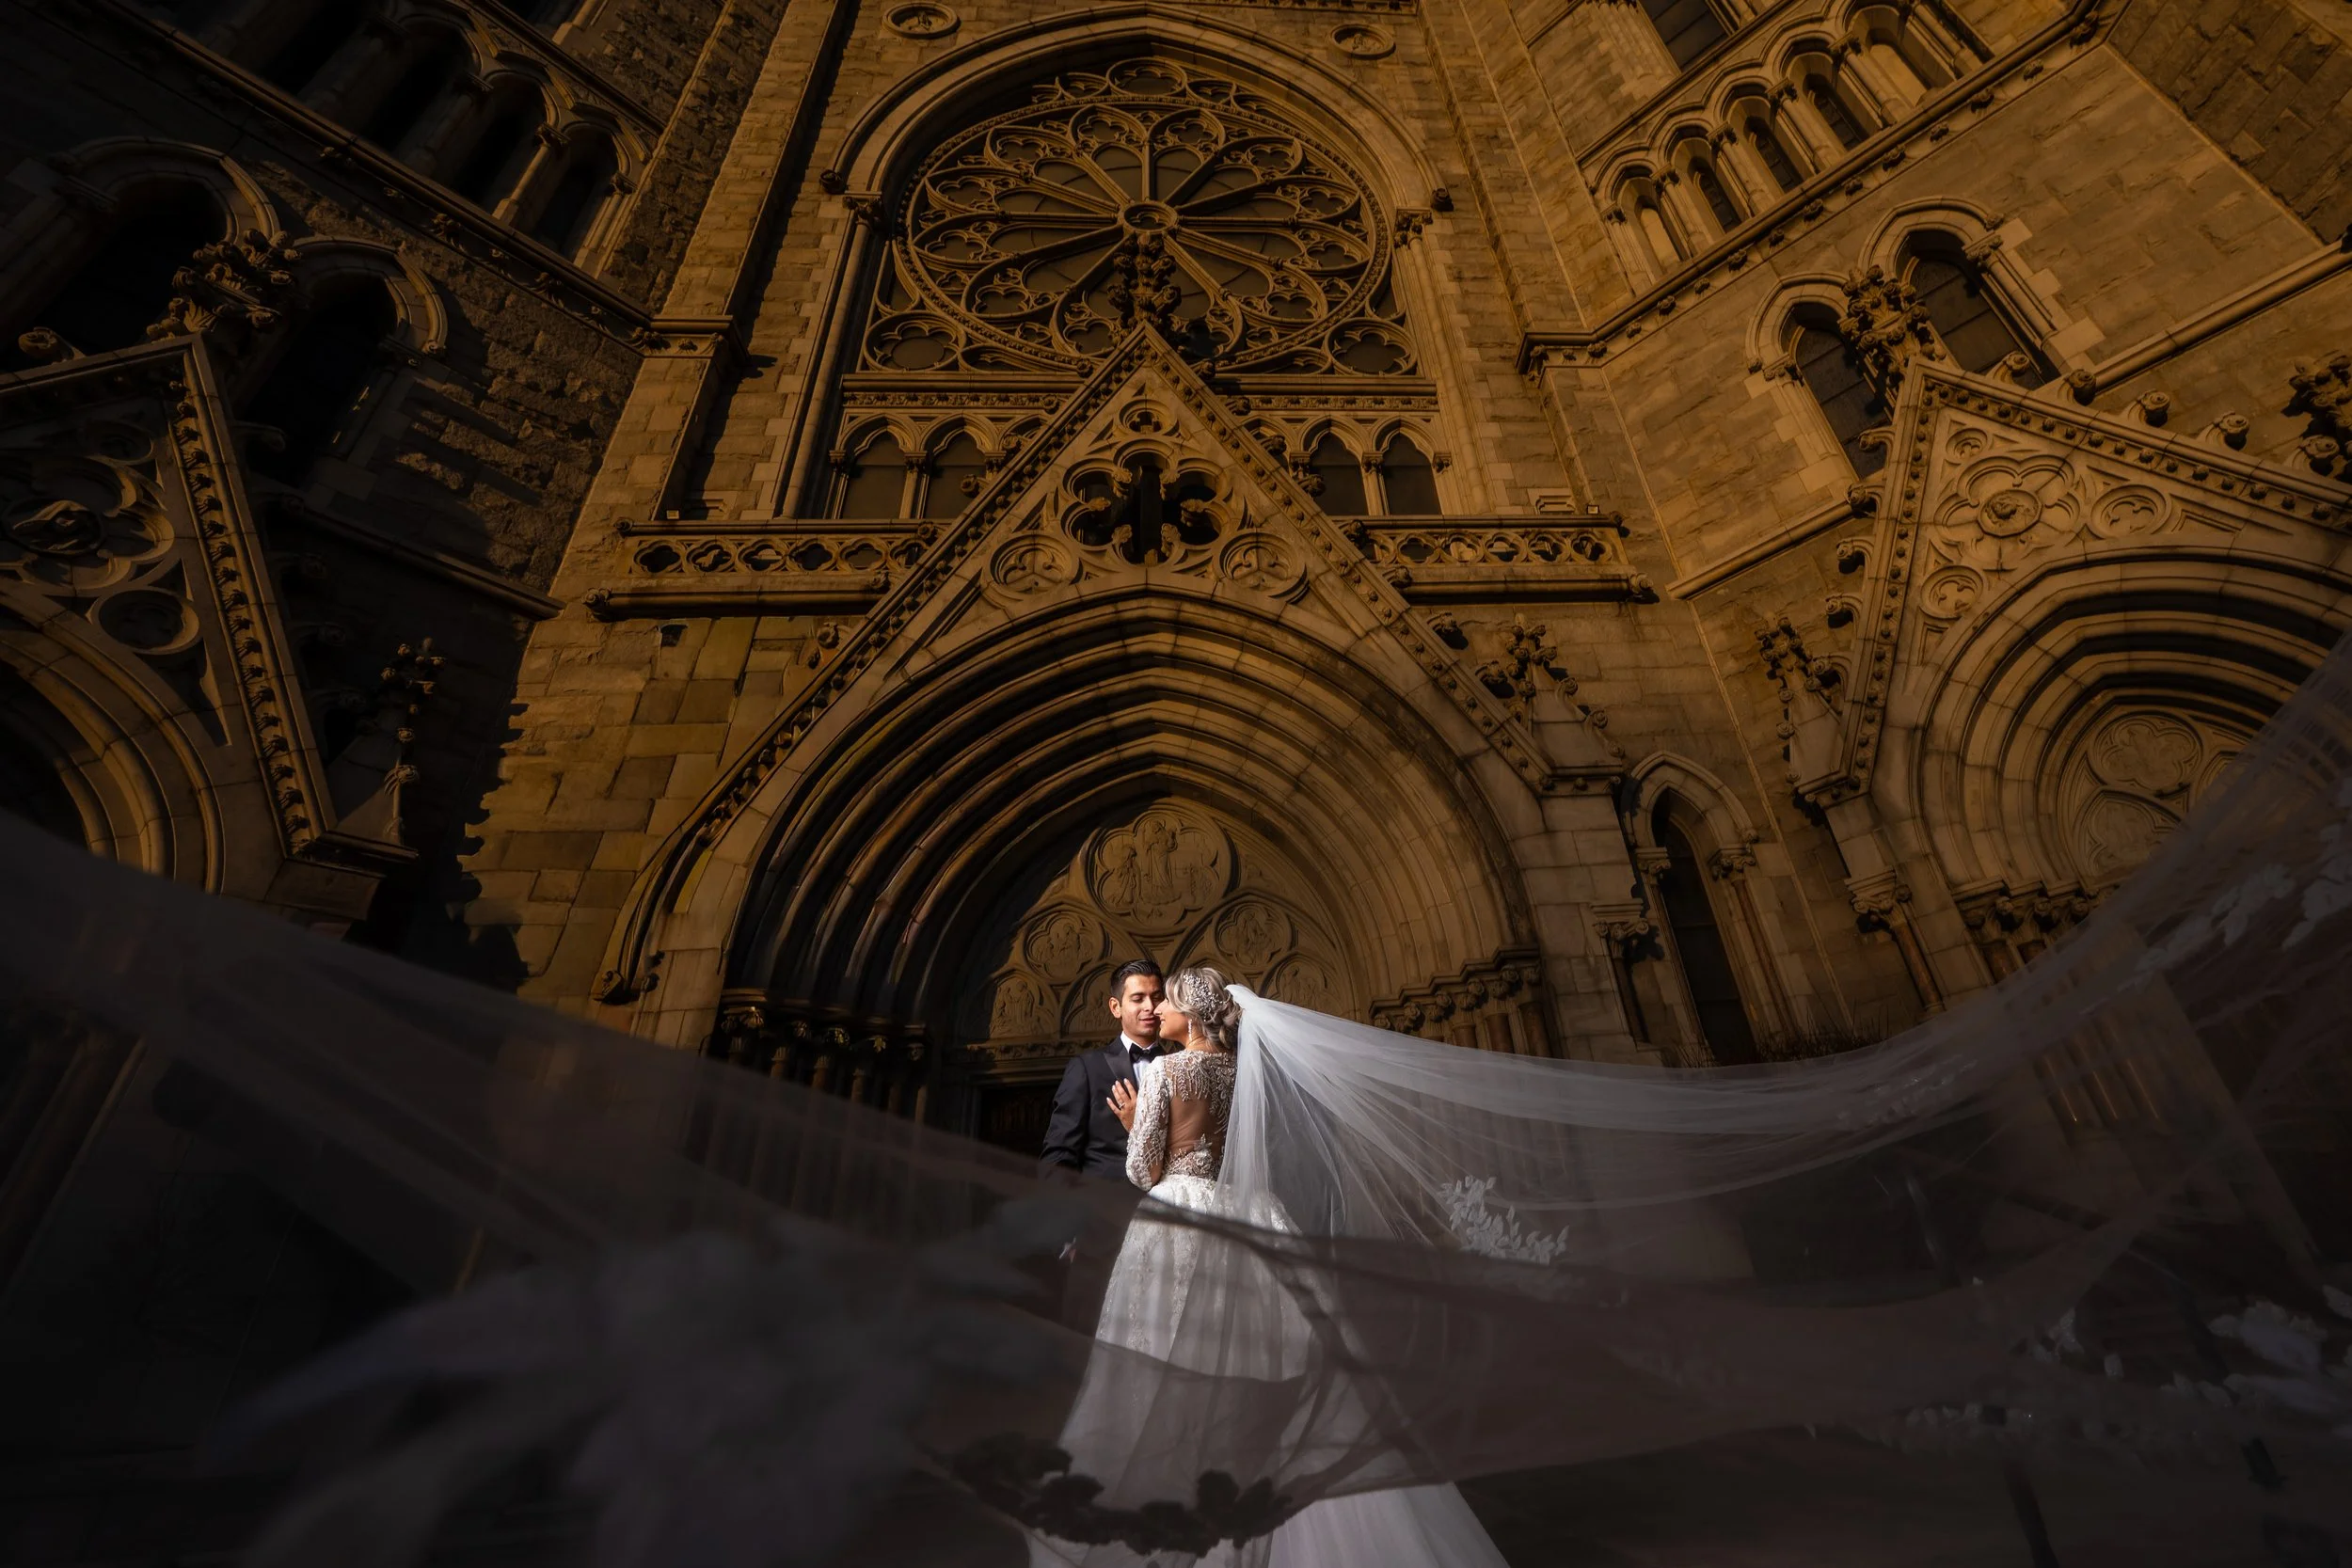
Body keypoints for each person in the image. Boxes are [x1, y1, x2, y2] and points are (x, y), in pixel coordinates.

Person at [1034, 965, 1512, 1568]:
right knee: (1252, 1360)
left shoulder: (1166, 1069)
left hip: (1179, 1216)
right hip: (1244, 1215)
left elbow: (1142, 1170)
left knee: (1168, 1364)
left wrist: (1135, 1127)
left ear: (1190, 1012)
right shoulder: (1241, 1071)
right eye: (1146, 1000)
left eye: (1168, 1001)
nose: (1159, 1011)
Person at [1039, 959, 1170, 1180]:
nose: (1150, 1006)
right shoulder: (1087, 1068)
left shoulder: (1180, 1066)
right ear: (1115, 1007)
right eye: (1138, 998)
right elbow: (1059, 1154)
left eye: (1156, 997)